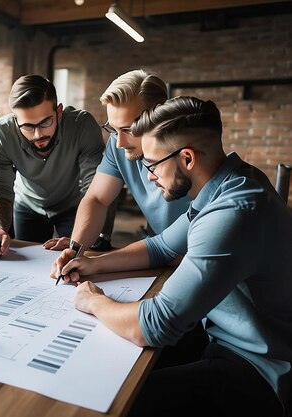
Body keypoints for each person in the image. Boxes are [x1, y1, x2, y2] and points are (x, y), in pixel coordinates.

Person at [54, 96, 292, 417]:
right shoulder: (227, 183)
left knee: (109, 403)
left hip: (258, 369)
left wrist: (92, 301)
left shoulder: (234, 212)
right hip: (223, 339)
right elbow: (162, 246)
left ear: (187, 158)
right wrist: (93, 264)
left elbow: (154, 325)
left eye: (152, 164)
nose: (148, 177)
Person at [46, 69, 191, 259]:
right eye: (113, 129)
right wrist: (76, 247)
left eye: (128, 129)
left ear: (160, 117)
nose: (120, 143)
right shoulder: (118, 144)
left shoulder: (189, 154)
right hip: (159, 253)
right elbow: (97, 199)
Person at [0, 74, 108, 258]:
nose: (38, 135)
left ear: (59, 111)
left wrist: (88, 240)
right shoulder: (0, 133)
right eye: (27, 126)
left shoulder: (82, 125)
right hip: (27, 204)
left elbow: (97, 188)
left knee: (81, 258)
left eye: (45, 122)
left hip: (73, 205)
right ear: (15, 120)